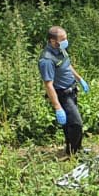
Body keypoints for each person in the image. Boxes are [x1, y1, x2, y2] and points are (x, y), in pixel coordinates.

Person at [38, 26, 89, 157]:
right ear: (52, 41)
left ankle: (77, 150)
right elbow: (48, 85)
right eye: (63, 39)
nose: (66, 41)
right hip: (63, 95)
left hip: (72, 91)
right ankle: (71, 153)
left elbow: (67, 65)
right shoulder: (47, 60)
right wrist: (57, 107)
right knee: (77, 124)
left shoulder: (61, 50)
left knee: (70, 125)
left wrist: (79, 79)